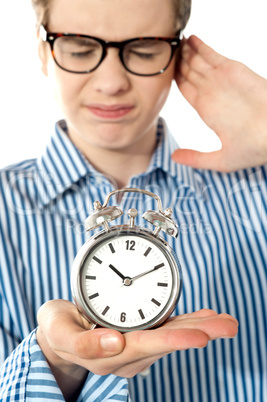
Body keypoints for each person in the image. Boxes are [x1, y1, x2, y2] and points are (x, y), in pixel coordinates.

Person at [0, 0, 266, 401]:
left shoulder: (258, 188)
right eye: (79, 49)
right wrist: (57, 365)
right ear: (44, 52)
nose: (111, 83)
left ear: (178, 56)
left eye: (143, 50)